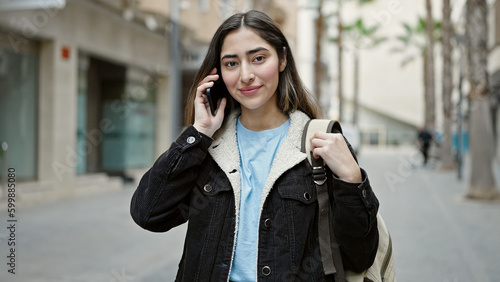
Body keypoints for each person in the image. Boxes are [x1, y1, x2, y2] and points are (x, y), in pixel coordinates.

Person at [130, 10, 379, 281]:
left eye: (258, 58)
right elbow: (149, 214)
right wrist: (199, 132)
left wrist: (352, 181)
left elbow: (360, 256)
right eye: (231, 63)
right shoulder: (208, 148)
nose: (245, 75)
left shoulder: (319, 145)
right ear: (218, 72)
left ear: (282, 59)